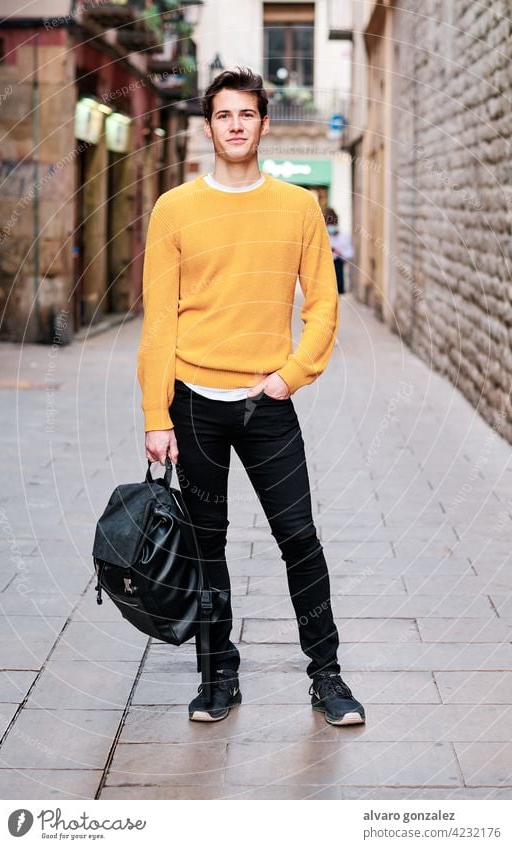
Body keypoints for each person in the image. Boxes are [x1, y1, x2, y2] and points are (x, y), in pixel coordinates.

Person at [137, 67, 365, 727]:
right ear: (208, 126)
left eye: (246, 114)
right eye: (223, 115)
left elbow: (323, 305)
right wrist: (157, 414)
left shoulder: (296, 207)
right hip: (193, 402)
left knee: (299, 536)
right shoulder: (174, 208)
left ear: (263, 123)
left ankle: (326, 675)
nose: (235, 125)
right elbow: (159, 321)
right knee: (207, 542)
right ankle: (217, 673)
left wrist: (289, 376)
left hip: (266, 403)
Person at [324, 207, 354, 294]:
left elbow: (350, 254)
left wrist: (339, 252)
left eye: (333, 223)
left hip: (338, 268)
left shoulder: (343, 236)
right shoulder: (321, 236)